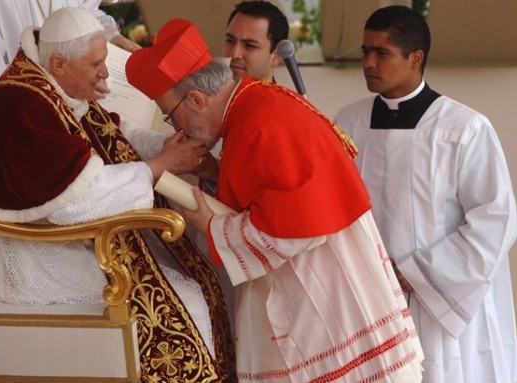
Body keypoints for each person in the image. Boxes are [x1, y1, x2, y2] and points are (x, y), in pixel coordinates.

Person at [126, 18, 424, 382]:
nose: (178, 129)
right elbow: (268, 190)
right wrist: (214, 174)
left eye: (172, 117)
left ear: (197, 99)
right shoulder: (253, 105)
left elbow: (294, 227)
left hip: (326, 296)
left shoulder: (261, 125)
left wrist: (211, 225)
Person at [0, 8, 235, 382]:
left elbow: (108, 132)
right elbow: (74, 201)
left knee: (192, 275)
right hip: (30, 256)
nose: (105, 73)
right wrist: (157, 167)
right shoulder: (19, 106)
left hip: (63, 238)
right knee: (182, 298)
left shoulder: (48, 82)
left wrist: (162, 149)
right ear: (59, 63)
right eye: (96, 65)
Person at [334, 5, 517, 383]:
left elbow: (496, 217)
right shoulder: (346, 124)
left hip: (436, 301)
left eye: (381, 53)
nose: (368, 62)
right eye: (365, 51)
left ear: (415, 58)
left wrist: (416, 273)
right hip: (368, 298)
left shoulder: (463, 128)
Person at [0, 0, 140, 121]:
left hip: (80, 102)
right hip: (28, 119)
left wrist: (111, 37)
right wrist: (69, 83)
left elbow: (83, 8)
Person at [223, 0, 289, 81]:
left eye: (249, 45)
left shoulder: (281, 94)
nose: (234, 54)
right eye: (230, 40)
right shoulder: (207, 90)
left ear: (276, 57)